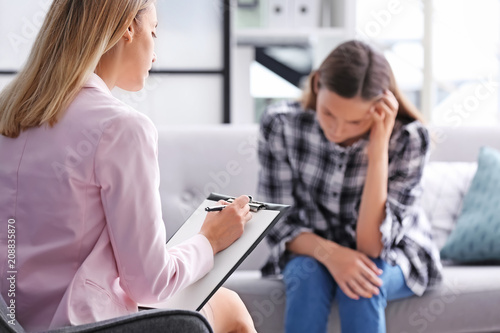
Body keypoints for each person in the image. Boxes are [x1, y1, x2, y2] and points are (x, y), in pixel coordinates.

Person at [0, 1, 256, 332]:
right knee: (230, 305)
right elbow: (150, 283)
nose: (155, 54)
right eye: (153, 31)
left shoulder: (10, 116)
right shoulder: (121, 128)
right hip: (86, 326)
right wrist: (210, 240)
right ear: (127, 30)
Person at [256, 40, 443, 333]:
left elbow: (372, 246)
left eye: (355, 121)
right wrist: (335, 256)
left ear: (381, 109)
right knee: (306, 280)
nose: (337, 130)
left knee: (361, 288)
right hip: (312, 249)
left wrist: (378, 150)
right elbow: (276, 223)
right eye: (329, 113)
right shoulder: (280, 124)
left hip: (393, 253)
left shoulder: (409, 139)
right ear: (317, 84)